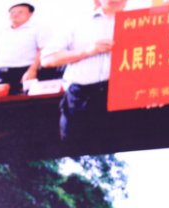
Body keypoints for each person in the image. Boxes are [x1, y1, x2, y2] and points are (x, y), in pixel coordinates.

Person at [41, 0, 129, 143]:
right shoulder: (78, 22)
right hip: (82, 96)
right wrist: (87, 51)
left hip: (124, 95)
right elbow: (47, 60)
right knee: (76, 146)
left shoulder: (142, 21)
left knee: (121, 146)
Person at [0, 4, 51, 95]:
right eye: (12, 12)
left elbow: (43, 50)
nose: (15, 14)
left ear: (30, 14)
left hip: (23, 72)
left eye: (20, 12)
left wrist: (32, 70)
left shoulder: (39, 28)